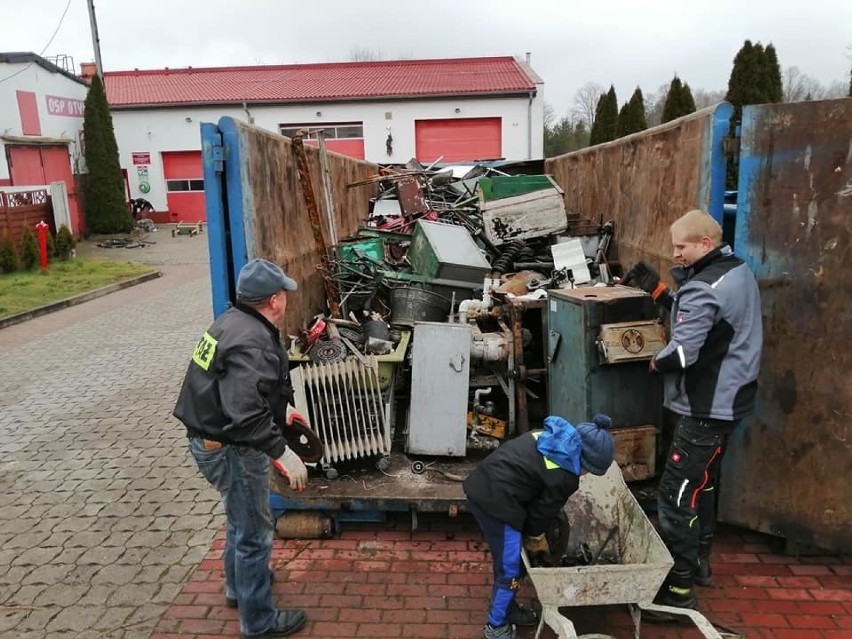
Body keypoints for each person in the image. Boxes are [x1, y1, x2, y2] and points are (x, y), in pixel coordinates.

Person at [623, 209, 762, 620]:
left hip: (706, 405)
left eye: (681, 246)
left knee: (676, 494)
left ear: (704, 243)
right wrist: (661, 293)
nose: (675, 252)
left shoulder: (703, 287)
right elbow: (713, 323)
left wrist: (653, 362)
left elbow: (684, 351)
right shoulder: (736, 271)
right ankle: (699, 563)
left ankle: (677, 590)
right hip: (732, 399)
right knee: (703, 485)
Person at [173, 258, 310, 638]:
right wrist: (282, 452)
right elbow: (244, 413)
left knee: (239, 517)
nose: (285, 298)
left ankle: (240, 587)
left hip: (208, 438)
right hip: (230, 447)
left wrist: (284, 412)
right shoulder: (253, 341)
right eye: (283, 293)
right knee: (254, 531)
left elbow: (242, 389)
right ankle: (259, 622)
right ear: (273, 300)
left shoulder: (230, 322)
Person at [463, 415, 615, 639]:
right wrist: (535, 539)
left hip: (483, 484)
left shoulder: (551, 438)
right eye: (589, 469)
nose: (587, 474)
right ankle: (495, 628)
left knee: (509, 559)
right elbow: (539, 517)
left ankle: (506, 608)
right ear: (583, 459)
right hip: (497, 504)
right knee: (511, 567)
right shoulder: (565, 477)